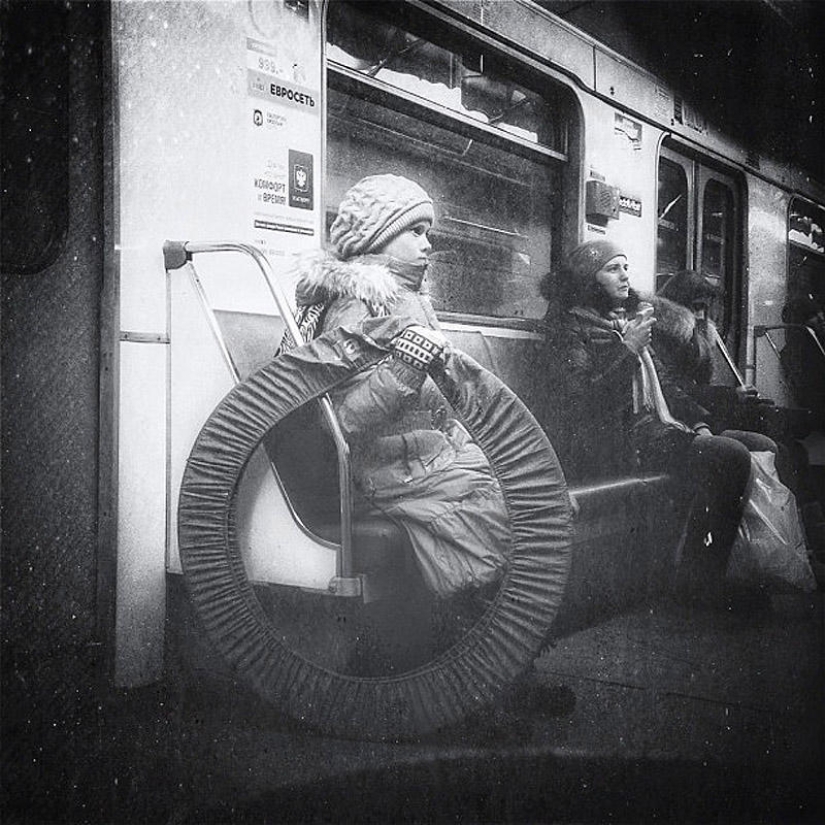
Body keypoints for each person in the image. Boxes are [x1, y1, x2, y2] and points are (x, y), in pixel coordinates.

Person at [290, 174, 511, 597]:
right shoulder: (355, 305)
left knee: (524, 491)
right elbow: (341, 420)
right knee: (509, 506)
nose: (427, 244)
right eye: (415, 232)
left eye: (428, 233)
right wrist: (406, 369)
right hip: (384, 470)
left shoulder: (410, 300)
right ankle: (472, 614)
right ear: (377, 235)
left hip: (423, 456)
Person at [541, 240, 754, 602]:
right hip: (614, 439)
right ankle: (697, 582)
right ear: (588, 279)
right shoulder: (570, 328)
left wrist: (699, 423)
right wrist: (628, 349)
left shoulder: (625, 322)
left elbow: (666, 387)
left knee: (758, 444)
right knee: (730, 455)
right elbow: (582, 404)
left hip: (648, 429)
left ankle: (724, 570)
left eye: (625, 267)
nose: (625, 276)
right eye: (613, 269)